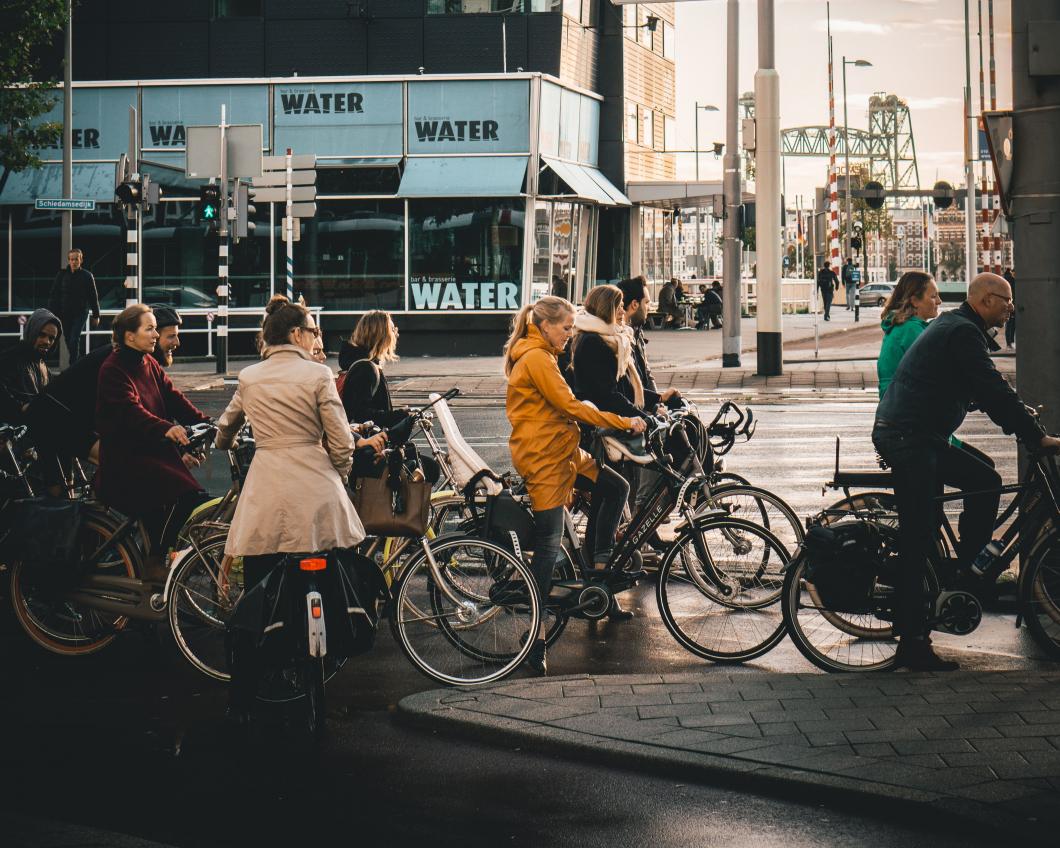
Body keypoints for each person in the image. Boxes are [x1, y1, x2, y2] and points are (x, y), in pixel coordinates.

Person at [873, 273, 1060, 671]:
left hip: (919, 433)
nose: (1012, 308)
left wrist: (1017, 415)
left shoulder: (957, 328)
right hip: (909, 438)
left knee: (985, 480)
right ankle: (913, 643)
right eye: (1006, 301)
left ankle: (969, 568)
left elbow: (975, 389)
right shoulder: (962, 332)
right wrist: (1033, 435)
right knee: (918, 535)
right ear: (987, 302)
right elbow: (990, 386)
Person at [216, 296, 371, 721]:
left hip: (267, 486)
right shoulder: (317, 374)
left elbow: (226, 426)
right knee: (334, 566)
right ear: (297, 335)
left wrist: (224, 445)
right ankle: (330, 644)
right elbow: (340, 441)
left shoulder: (250, 376)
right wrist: (339, 475)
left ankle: (244, 695)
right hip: (315, 487)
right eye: (314, 331)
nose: (317, 338)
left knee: (259, 591)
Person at [504, 296, 645, 674]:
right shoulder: (535, 358)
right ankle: (535, 635)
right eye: (566, 328)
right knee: (549, 544)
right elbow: (570, 405)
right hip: (545, 460)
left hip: (564, 451)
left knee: (615, 487)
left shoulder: (543, 354)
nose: (570, 334)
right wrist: (621, 420)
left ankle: (599, 567)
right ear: (545, 325)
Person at [95, 305, 212, 564]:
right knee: (184, 497)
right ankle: (156, 562)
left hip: (151, 456)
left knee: (186, 497)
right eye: (149, 328)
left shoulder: (148, 362)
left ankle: (159, 558)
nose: (156, 335)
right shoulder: (113, 369)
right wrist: (166, 428)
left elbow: (174, 398)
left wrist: (209, 423)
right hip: (127, 462)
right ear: (129, 336)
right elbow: (130, 411)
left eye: (155, 329)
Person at [339, 310, 437, 481]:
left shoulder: (367, 365)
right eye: (392, 329)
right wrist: (401, 416)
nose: (396, 332)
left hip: (374, 445)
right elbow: (362, 414)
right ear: (381, 334)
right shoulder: (365, 369)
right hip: (371, 448)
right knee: (429, 469)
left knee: (424, 467)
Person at [876, 271, 942, 398]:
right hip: (906, 408)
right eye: (934, 296)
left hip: (893, 405)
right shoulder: (910, 330)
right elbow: (936, 371)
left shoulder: (901, 327)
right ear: (915, 301)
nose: (939, 301)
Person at [0, 308, 61, 424]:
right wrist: (20, 408)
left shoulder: (44, 368)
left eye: (51, 338)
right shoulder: (12, 357)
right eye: (42, 335)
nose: (47, 342)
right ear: (32, 331)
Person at [47, 248, 100, 364]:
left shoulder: (87, 276)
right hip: (65, 313)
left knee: (74, 340)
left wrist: (96, 315)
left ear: (81, 260)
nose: (74, 262)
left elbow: (93, 296)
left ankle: (73, 366)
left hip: (81, 313)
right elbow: (54, 295)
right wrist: (51, 313)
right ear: (69, 261)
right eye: (71, 259)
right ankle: (78, 363)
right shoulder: (61, 275)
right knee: (68, 340)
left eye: (76, 259)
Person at [1003, 267, 1016, 349]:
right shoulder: (1011, 280)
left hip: (1008, 305)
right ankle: (1010, 343)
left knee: (1010, 324)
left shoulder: (1006, 279)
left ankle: (1010, 343)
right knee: (1011, 324)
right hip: (1011, 305)